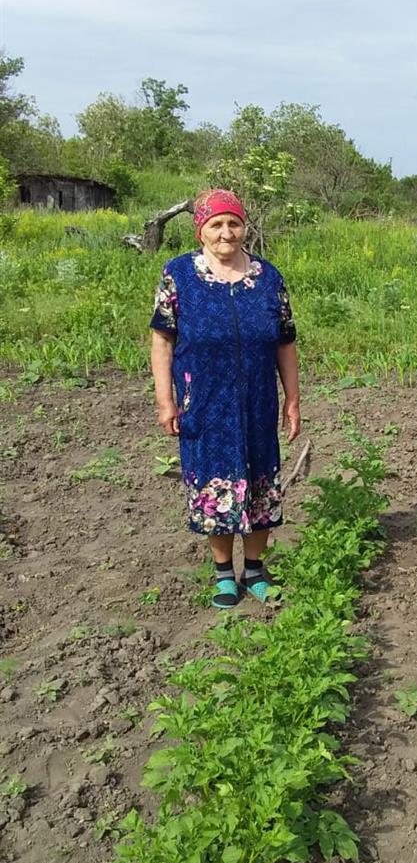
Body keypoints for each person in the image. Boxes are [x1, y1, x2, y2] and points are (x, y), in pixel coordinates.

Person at [150, 188, 301, 609]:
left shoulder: (268, 278)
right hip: (204, 403)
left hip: (257, 402)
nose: (226, 232)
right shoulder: (179, 275)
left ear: (243, 227)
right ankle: (222, 574)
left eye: (233, 223)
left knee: (259, 481)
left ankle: (253, 569)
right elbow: (162, 341)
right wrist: (166, 401)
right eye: (216, 224)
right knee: (214, 483)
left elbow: (285, 344)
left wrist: (293, 400)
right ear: (201, 230)